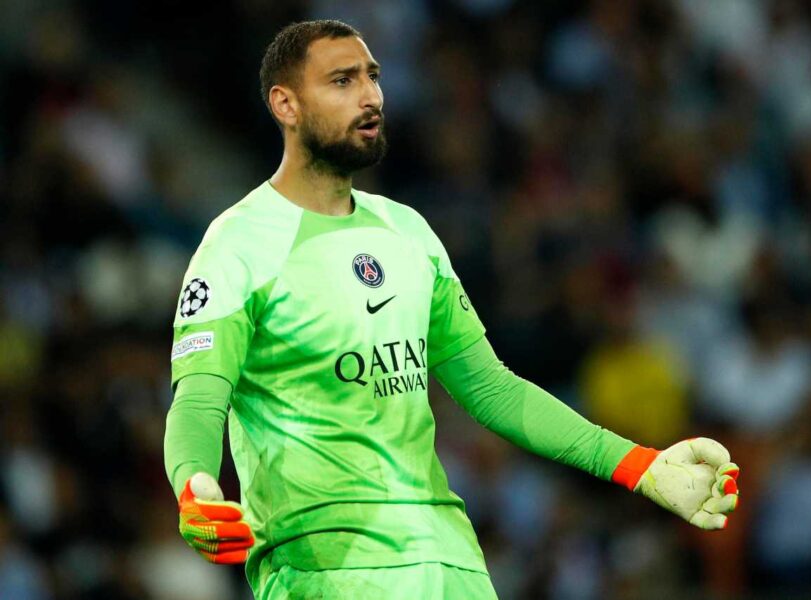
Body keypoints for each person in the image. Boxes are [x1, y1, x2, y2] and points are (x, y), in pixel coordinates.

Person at [163, 20, 740, 599]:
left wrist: (640, 466)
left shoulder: (407, 231)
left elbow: (493, 389)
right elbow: (199, 399)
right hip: (328, 571)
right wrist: (194, 487)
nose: (370, 96)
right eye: (342, 81)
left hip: (452, 565)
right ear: (285, 104)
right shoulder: (238, 244)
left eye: (372, 77)